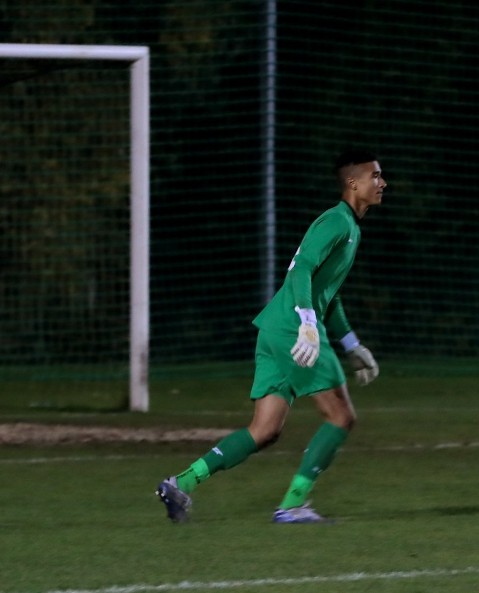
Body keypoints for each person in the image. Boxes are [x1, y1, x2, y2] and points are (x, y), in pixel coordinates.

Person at [155, 149, 386, 524]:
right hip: (295, 330)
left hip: (276, 329)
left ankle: (180, 483)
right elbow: (300, 271)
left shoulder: (349, 227)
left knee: (264, 431)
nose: (382, 183)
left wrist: (351, 344)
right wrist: (309, 325)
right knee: (341, 416)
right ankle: (293, 505)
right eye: (375, 176)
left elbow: (329, 290)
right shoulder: (337, 222)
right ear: (352, 182)